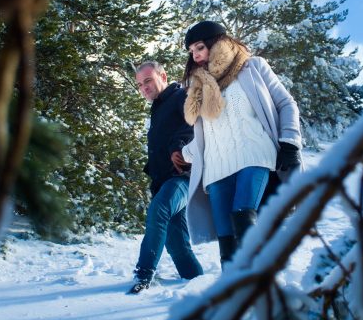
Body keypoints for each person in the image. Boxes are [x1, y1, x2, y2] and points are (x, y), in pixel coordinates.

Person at [178, 21, 302, 269]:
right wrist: (183, 154)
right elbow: (207, 134)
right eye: (192, 51)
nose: (196, 55)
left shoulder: (252, 67)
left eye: (200, 47)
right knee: (227, 244)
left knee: (244, 219)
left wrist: (290, 141)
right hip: (216, 169)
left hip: (254, 155)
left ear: (217, 42)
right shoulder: (198, 87)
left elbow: (285, 104)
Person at [128, 61, 203, 294]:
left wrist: (180, 147)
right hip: (163, 181)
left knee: (159, 210)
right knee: (177, 245)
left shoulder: (181, 96)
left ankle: (143, 274)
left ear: (163, 75)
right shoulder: (158, 107)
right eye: (140, 84)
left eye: (148, 81)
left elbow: (193, 126)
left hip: (182, 177)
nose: (144, 88)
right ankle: (197, 282)